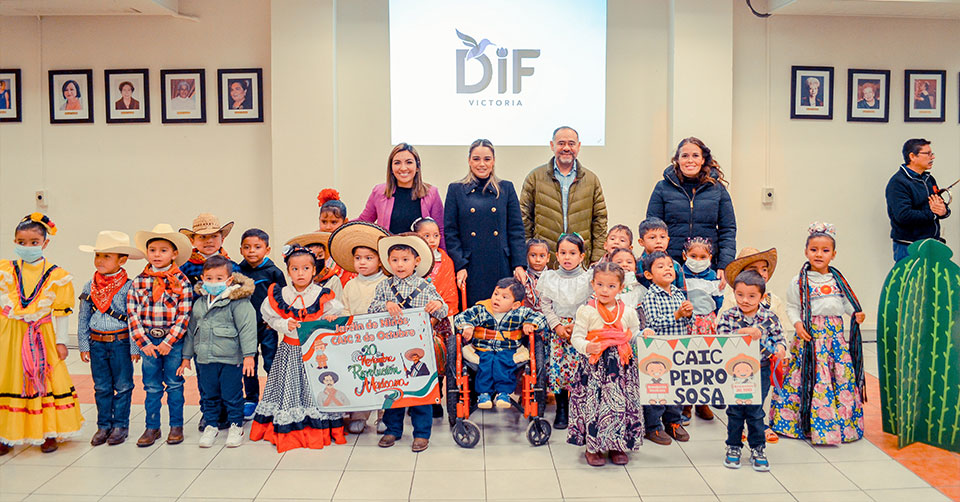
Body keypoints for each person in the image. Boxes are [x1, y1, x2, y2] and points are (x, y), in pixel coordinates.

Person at [770, 222, 866, 445]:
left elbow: (846, 303)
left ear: (833, 254)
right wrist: (797, 325)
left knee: (837, 377)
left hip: (834, 340)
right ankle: (801, 423)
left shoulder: (838, 280)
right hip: (809, 338)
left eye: (825, 250)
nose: (819, 254)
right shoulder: (799, 281)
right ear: (806, 252)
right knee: (805, 376)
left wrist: (855, 314)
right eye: (814, 249)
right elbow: (792, 306)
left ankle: (839, 426)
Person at [251, 245, 345, 452]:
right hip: (289, 350)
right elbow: (270, 317)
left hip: (314, 351)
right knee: (288, 385)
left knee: (314, 387)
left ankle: (317, 426)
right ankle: (290, 426)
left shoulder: (322, 294)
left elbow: (334, 315)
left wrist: (329, 319)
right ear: (288, 271)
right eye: (295, 269)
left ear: (314, 270)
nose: (300, 273)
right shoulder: (281, 294)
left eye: (305, 269)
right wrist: (284, 324)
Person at [0, 214, 81, 455]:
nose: (27, 247)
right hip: (9, 333)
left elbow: (62, 312)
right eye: (21, 242)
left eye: (34, 242)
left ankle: (49, 432)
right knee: (9, 376)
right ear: (14, 242)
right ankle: (7, 433)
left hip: (40, 334)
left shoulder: (57, 275)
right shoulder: (5, 270)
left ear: (45, 243)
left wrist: (62, 341)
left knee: (45, 376)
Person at [368, 233, 448, 452]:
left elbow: (443, 310)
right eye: (395, 260)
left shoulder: (426, 286)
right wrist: (386, 306)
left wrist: (436, 305)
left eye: (405, 260)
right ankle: (392, 429)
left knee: (421, 389)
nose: (400, 265)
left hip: (419, 347)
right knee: (393, 389)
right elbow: (371, 309)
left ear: (416, 261)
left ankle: (421, 433)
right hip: (391, 347)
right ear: (388, 262)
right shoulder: (384, 287)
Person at [568, 262, 644, 466]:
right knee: (594, 405)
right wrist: (587, 346)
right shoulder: (586, 311)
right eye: (600, 285)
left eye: (611, 286)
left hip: (621, 367)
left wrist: (644, 335)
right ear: (593, 284)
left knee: (619, 405)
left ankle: (617, 445)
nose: (605, 290)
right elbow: (576, 338)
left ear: (620, 288)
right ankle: (592, 448)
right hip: (594, 368)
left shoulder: (628, 311)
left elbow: (634, 333)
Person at [126, 223, 194, 447]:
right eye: (152, 250)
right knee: (151, 386)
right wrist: (143, 342)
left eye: (163, 250)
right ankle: (152, 427)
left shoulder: (182, 281)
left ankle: (176, 426)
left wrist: (169, 341)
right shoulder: (139, 281)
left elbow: (184, 315)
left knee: (174, 384)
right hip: (148, 342)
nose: (157, 255)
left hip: (172, 342)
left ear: (174, 253)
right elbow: (132, 313)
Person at [179, 256, 257, 448]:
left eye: (219, 278)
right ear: (202, 278)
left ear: (229, 280)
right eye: (209, 278)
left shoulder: (238, 302)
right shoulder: (200, 303)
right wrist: (186, 357)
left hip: (230, 359)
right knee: (209, 394)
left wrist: (249, 356)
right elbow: (191, 331)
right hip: (205, 359)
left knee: (232, 394)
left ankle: (236, 426)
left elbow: (247, 329)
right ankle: (211, 425)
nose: (214, 282)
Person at [77, 230, 144, 447]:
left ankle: (120, 426)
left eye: (107, 256)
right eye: (97, 255)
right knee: (102, 387)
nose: (100, 260)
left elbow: (134, 318)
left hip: (120, 342)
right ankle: (103, 425)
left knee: (123, 386)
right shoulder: (89, 286)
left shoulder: (129, 286)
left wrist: (134, 347)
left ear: (122, 260)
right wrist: (84, 343)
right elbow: (83, 316)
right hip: (97, 343)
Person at [444, 138, 527, 308]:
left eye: (487, 159)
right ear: (469, 160)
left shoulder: (506, 188)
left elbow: (516, 230)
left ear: (493, 161)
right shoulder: (456, 189)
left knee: (501, 314)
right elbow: (451, 232)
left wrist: (519, 264)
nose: (481, 164)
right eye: (476, 159)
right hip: (470, 267)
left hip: (500, 265)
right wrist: (460, 265)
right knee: (473, 315)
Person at [717, 270, 786, 471]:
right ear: (734, 294)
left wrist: (780, 348)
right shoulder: (728, 315)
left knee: (755, 410)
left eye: (751, 296)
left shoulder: (769, 317)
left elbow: (779, 337)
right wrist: (742, 332)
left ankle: (758, 448)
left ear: (762, 297)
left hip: (760, 369)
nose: (745, 300)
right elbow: (720, 337)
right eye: (740, 295)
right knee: (735, 410)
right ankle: (733, 446)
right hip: (734, 371)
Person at [646, 137, 736, 282]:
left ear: (703, 160)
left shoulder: (717, 189)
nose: (690, 160)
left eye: (695, 155)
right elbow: (652, 228)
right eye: (685, 156)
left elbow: (728, 229)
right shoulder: (662, 188)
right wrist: (656, 261)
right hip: (670, 266)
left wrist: (725, 264)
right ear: (677, 160)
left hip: (707, 266)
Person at [328, 221, 390, 434]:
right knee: (360, 376)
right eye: (358, 258)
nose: (362, 262)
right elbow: (345, 308)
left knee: (382, 376)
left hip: (381, 338)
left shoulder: (386, 283)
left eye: (368, 258)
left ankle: (384, 415)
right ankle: (359, 415)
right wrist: (342, 322)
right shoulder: (350, 285)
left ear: (380, 261)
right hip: (357, 339)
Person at [520, 126, 608, 265]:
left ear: (578, 146)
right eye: (561, 143)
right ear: (552, 145)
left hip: (580, 263)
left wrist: (597, 258)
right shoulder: (535, 178)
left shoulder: (591, 180)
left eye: (571, 144)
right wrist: (528, 253)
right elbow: (524, 219)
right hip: (544, 262)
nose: (566, 148)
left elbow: (600, 221)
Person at [455, 278, 547, 409]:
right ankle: (484, 393)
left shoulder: (520, 312)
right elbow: (461, 316)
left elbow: (540, 317)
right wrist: (467, 326)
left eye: (504, 297)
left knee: (504, 361)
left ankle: (503, 393)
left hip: (508, 348)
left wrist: (530, 323)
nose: (497, 299)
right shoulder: (482, 309)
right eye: (496, 294)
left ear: (515, 304)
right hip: (483, 347)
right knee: (486, 361)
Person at [536, 233, 593, 430]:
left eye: (572, 253)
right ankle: (561, 408)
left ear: (582, 256)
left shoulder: (588, 278)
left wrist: (578, 325)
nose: (567, 257)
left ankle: (579, 408)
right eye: (563, 253)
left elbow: (590, 303)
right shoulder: (550, 277)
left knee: (580, 368)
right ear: (557, 255)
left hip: (581, 329)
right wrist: (557, 326)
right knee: (559, 369)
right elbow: (545, 304)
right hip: (558, 330)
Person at [639, 251, 693, 445]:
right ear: (649, 274)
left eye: (670, 266)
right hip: (658, 351)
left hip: (678, 350)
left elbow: (688, 322)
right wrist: (677, 314)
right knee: (657, 388)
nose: (667, 269)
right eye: (660, 267)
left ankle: (673, 421)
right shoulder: (650, 296)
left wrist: (689, 314)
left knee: (676, 387)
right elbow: (654, 322)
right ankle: (653, 426)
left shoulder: (678, 293)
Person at [236, 228, 287, 420]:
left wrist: (275, 319)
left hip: (267, 326)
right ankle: (251, 399)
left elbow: (282, 297)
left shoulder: (274, 272)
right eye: (247, 247)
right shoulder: (238, 271)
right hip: (245, 328)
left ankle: (274, 398)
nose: (252, 251)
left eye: (257, 247)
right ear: (241, 250)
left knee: (270, 361)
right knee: (248, 364)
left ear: (267, 249)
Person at [358, 143, 446, 248]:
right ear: (391, 168)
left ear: (417, 166)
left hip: (421, 256)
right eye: (397, 163)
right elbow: (364, 222)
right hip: (388, 255)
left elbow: (440, 230)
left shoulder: (432, 193)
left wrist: (443, 256)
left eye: (409, 162)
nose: (403, 168)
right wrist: (341, 226)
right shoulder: (379, 192)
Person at [885, 138, 950, 262]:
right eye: (928, 154)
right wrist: (933, 214)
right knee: (910, 275)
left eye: (932, 154)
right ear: (912, 156)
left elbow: (940, 205)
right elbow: (904, 216)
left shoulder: (929, 179)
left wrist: (944, 211)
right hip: (909, 247)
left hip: (931, 244)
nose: (932, 157)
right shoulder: (898, 183)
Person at [179, 213, 238, 286]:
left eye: (214, 236)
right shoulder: (185, 266)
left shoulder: (232, 266)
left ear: (222, 240)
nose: (209, 241)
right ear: (192, 241)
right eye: (203, 237)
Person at [636, 217, 685, 291]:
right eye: (652, 237)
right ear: (641, 242)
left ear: (668, 239)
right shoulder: (637, 265)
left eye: (662, 237)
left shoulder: (675, 265)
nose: (658, 241)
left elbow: (683, 291)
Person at [607, 248, 646, 313]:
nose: (625, 265)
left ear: (636, 268)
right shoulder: (605, 289)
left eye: (629, 262)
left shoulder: (642, 291)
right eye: (619, 262)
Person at [522, 238, 549, 311]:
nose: (537, 260)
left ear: (548, 258)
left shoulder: (553, 278)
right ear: (526, 256)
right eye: (533, 255)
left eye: (542, 256)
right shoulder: (522, 277)